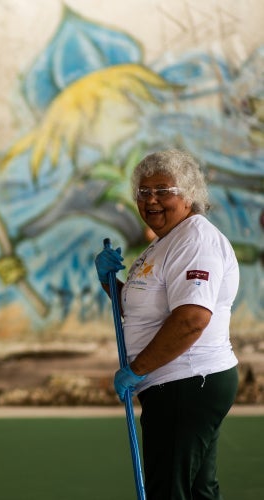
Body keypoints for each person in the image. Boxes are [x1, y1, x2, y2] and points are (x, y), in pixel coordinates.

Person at [95, 149, 239, 499]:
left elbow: (191, 320)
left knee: (169, 491)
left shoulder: (195, 241)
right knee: (197, 490)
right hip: (179, 384)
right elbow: (144, 310)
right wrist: (109, 282)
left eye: (163, 190)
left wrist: (137, 369)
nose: (151, 200)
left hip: (186, 383)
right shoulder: (166, 242)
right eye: (144, 193)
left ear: (189, 194)